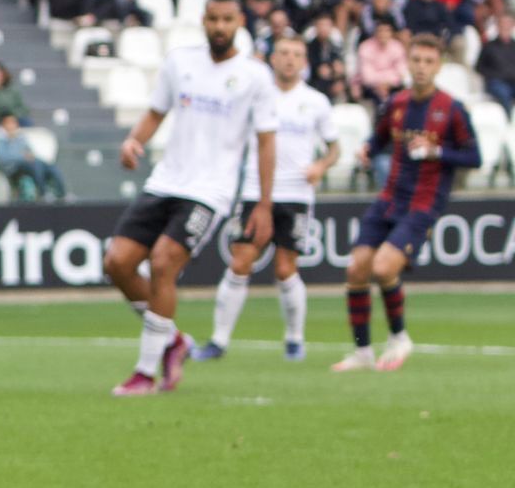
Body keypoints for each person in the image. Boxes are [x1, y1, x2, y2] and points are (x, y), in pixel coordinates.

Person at [104, 0, 278, 397]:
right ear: (203, 20)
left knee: (163, 262)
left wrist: (264, 204)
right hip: (166, 181)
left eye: (227, 20)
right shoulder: (179, 62)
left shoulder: (255, 76)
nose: (220, 27)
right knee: (117, 263)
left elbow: (266, 143)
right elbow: (155, 112)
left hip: (210, 190)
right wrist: (133, 141)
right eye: (213, 19)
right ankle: (173, 340)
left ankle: (145, 373)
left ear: (240, 22)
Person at [332, 34, 482, 374]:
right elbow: (379, 136)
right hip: (389, 198)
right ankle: (362, 351)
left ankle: (399, 337)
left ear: (439, 66)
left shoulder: (451, 109)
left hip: (423, 204)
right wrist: (367, 149)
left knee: (384, 267)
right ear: (408, 63)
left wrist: (436, 151)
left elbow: (474, 157)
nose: (422, 67)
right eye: (416, 60)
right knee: (356, 270)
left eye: (429, 61)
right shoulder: (396, 103)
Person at [193, 37, 339, 364]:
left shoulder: (316, 102)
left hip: (296, 195)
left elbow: (334, 149)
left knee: (286, 269)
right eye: (284, 53)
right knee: (240, 262)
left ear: (305, 62)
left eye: (297, 54)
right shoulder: (256, 96)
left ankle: (294, 339)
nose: (290, 59)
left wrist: (321, 165)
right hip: (255, 192)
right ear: (272, 59)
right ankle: (218, 340)